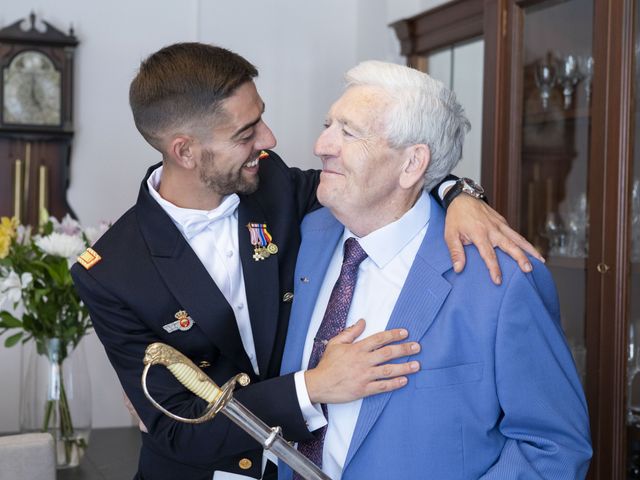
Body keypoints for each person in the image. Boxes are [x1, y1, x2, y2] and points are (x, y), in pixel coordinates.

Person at [71, 43, 540, 480]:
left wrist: (457, 193)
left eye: (261, 118)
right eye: (245, 132)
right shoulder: (112, 272)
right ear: (185, 151)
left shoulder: (274, 184)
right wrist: (311, 388)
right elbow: (176, 430)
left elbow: (382, 180)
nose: (269, 139)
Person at [279, 60, 592, 480]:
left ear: (412, 164)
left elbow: (554, 447)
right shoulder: (302, 237)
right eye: (328, 124)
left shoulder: (502, 279)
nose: (321, 144)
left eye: (349, 132)